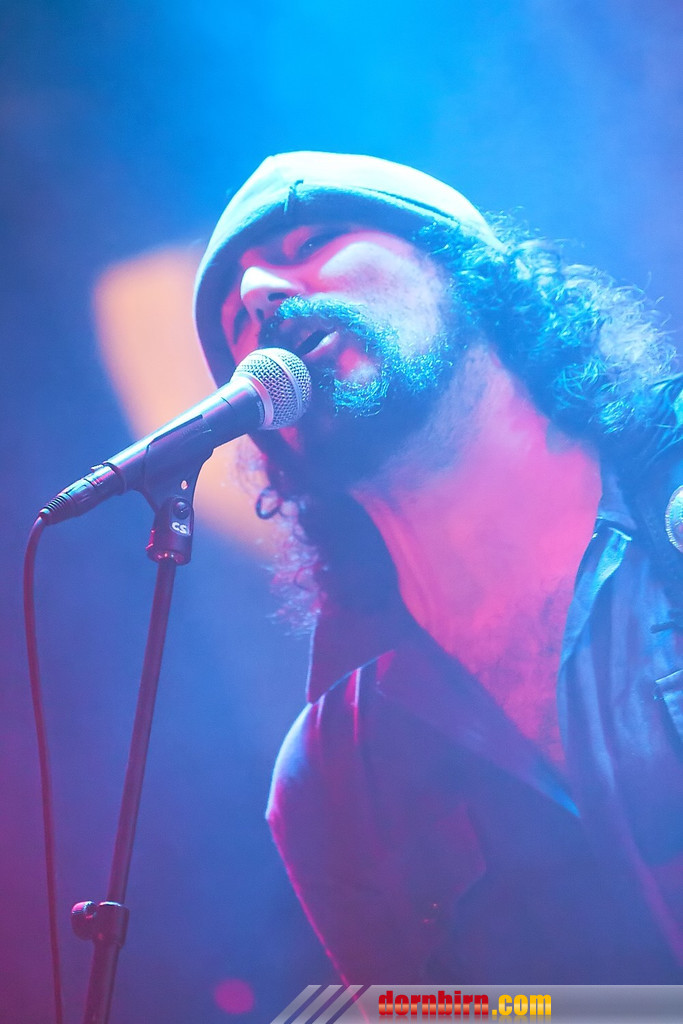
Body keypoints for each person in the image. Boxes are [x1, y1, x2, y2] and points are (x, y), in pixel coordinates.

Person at [193, 152, 683, 983]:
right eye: (236, 320)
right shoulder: (332, 775)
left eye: (313, 242)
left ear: (464, 268)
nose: (258, 293)